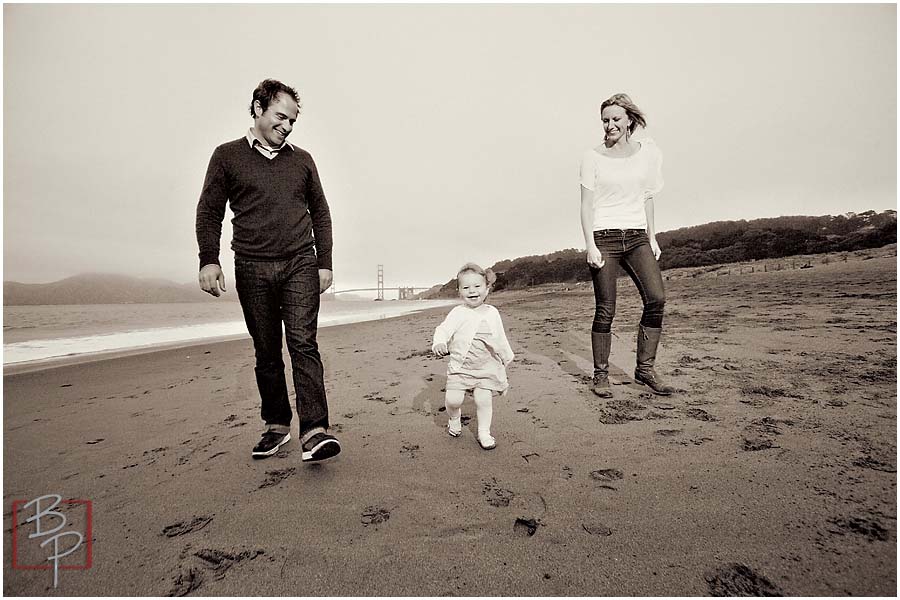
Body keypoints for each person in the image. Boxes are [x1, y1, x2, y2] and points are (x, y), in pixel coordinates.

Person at [196, 78, 341, 462]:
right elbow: (210, 211)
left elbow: (321, 213)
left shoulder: (303, 160)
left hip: (299, 263)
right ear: (258, 108)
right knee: (266, 351)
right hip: (251, 266)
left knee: (303, 344)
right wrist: (208, 258)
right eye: (281, 116)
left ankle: (315, 431)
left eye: (293, 120)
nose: (288, 126)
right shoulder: (226, 156)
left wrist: (324, 262)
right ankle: (276, 426)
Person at [579, 93, 676, 398]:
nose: (610, 125)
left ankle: (644, 370)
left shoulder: (646, 154)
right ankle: (600, 374)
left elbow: (647, 196)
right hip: (604, 238)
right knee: (606, 309)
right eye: (605, 120)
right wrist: (590, 245)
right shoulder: (591, 157)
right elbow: (586, 206)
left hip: (636, 237)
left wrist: (653, 236)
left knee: (656, 298)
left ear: (629, 120)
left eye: (616, 119)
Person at [432, 263, 514, 450]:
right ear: (459, 291)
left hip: (485, 367)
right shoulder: (458, 313)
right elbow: (443, 329)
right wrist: (439, 342)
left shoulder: (492, 313)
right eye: (466, 287)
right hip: (460, 367)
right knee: (453, 399)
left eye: (477, 286)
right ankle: (454, 418)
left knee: (483, 400)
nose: (472, 291)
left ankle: (484, 432)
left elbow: (500, 339)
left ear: (487, 288)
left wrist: (505, 359)